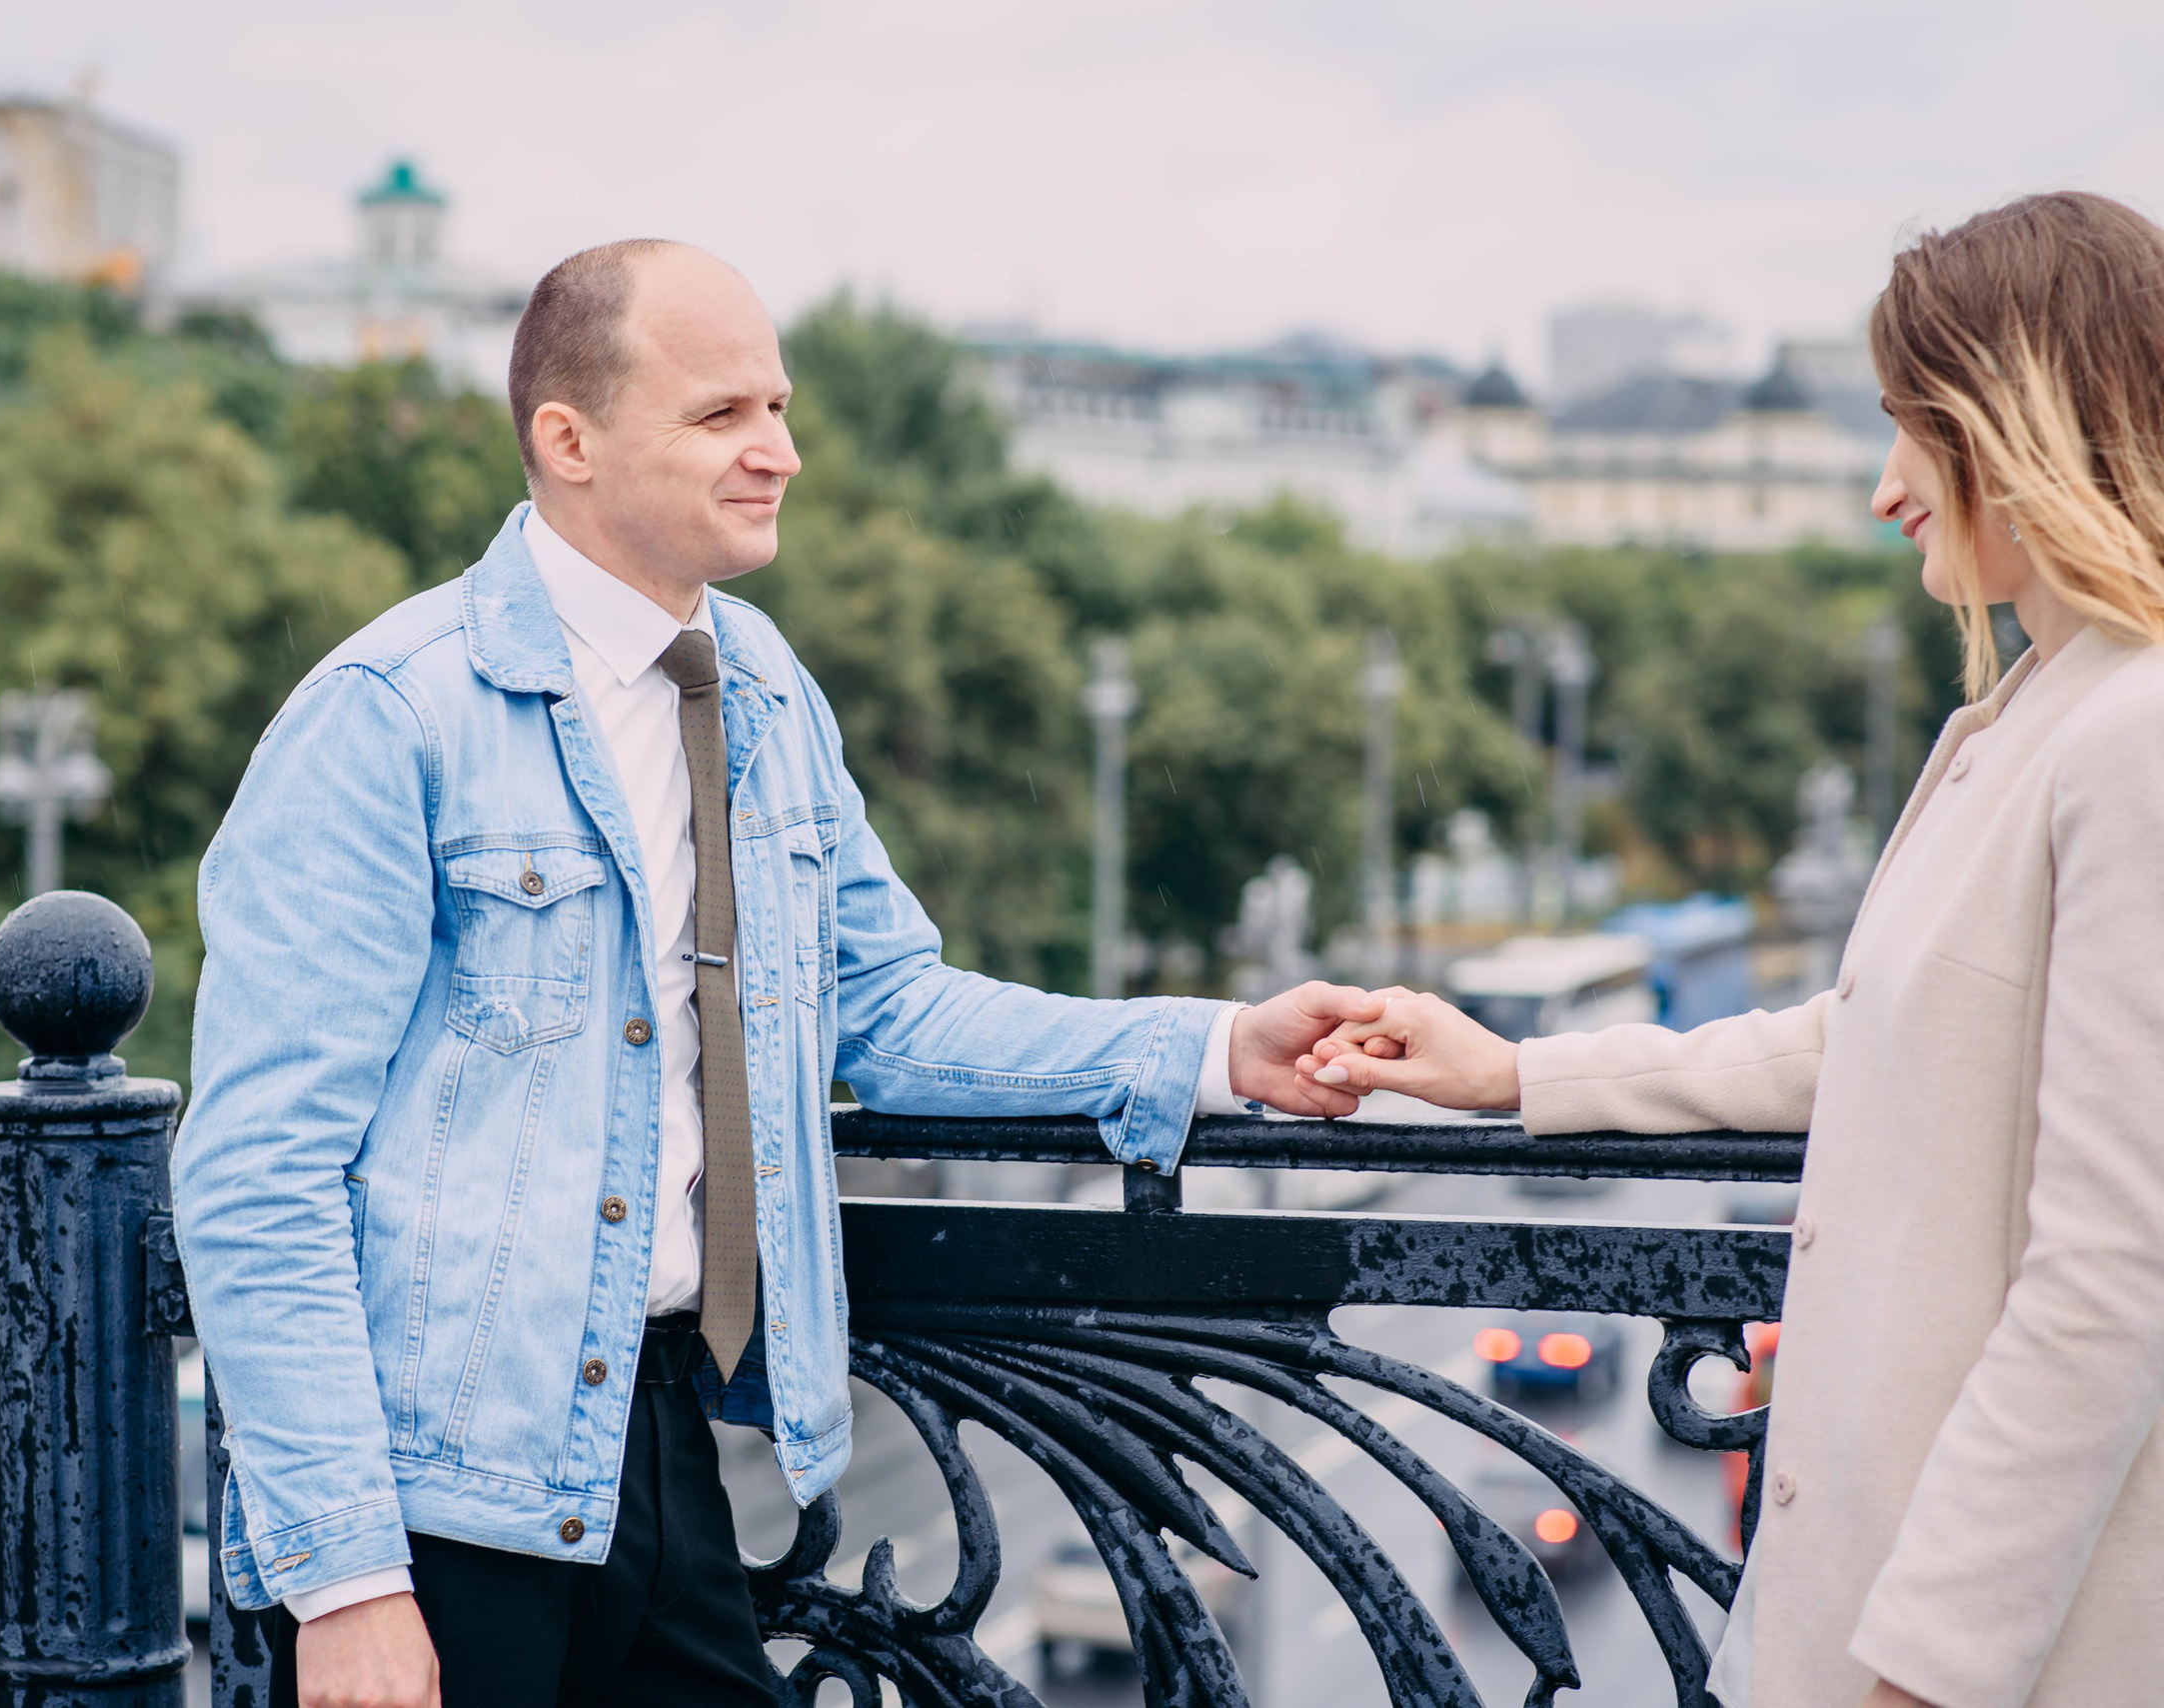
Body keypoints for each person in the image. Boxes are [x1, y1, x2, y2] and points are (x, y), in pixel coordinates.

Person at [171, 238, 1386, 1708]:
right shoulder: (388, 717)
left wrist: (1213, 1048)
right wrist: (347, 1578)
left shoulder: (758, 690)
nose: (782, 454)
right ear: (568, 440)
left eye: (781, 408)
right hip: (438, 1499)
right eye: (724, 414)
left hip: (665, 1436)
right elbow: (256, 1170)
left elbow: (889, 1006)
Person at [1303, 191, 2164, 1708]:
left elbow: (2112, 1277)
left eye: (1915, 424)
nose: (1886, 483)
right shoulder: (2041, 712)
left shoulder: (2133, 734)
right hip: (1879, 1588)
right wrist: (1515, 1066)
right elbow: (1880, 1034)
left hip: (1971, 1652)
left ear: (2023, 420)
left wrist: (1927, 1673)